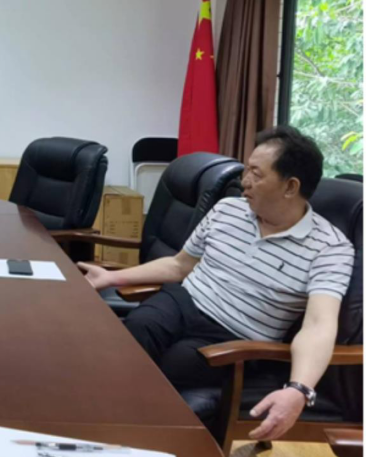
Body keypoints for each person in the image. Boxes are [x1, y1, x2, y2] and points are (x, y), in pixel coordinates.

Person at [79, 126, 354, 442]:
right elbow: (180, 264)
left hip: (236, 335)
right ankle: (91, 421)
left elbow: (319, 325)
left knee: (173, 362)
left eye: (255, 173)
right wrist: (111, 277)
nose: (243, 181)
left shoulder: (329, 248)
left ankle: (118, 434)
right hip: (183, 301)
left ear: (290, 186)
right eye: (245, 169)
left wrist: (298, 389)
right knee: (134, 331)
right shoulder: (228, 209)